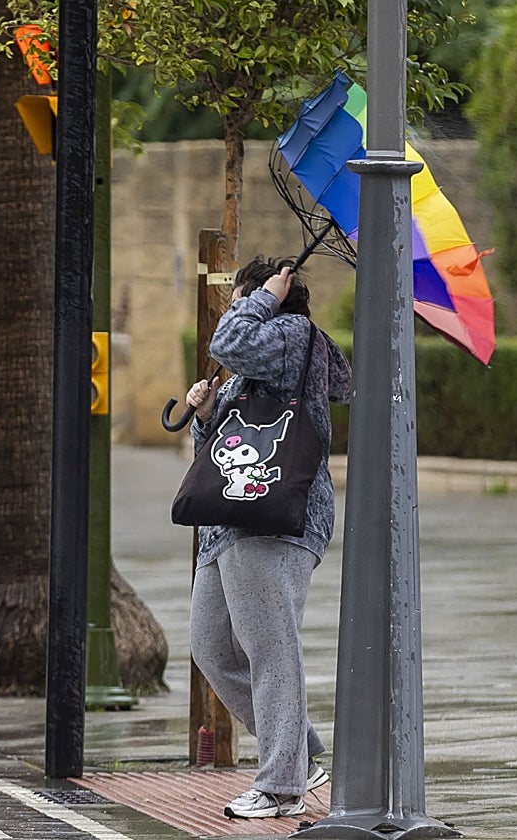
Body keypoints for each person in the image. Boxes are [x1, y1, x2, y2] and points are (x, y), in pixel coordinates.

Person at [184, 256, 352, 820]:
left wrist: (267, 298)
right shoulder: (258, 360)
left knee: (270, 649)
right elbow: (228, 449)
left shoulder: (291, 335)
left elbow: (227, 339)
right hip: (227, 523)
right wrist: (207, 415)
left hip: (275, 521)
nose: (234, 307)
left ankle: (281, 786)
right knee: (210, 646)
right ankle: (301, 755)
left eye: (243, 297)